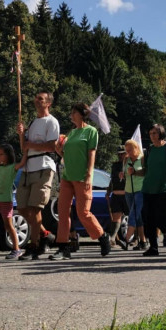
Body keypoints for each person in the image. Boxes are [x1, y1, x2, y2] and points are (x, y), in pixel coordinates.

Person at [49, 103, 111, 259]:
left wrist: (89, 174)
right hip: (67, 177)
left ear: (82, 114)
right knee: (62, 212)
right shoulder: (72, 133)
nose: (71, 115)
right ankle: (63, 247)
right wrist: (59, 151)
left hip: (82, 177)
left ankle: (102, 236)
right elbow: (67, 156)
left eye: (74, 112)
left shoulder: (91, 131)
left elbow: (91, 154)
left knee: (83, 212)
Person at [16, 91, 59, 260]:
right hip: (28, 168)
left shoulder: (52, 121)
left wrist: (30, 144)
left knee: (34, 209)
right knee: (22, 208)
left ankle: (33, 247)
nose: (36, 101)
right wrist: (21, 134)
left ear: (48, 103)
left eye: (40, 99)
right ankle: (45, 234)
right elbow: (24, 147)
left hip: (43, 166)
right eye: (36, 98)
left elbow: (52, 146)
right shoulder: (33, 122)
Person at [140, 124, 166, 256]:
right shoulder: (149, 150)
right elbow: (146, 170)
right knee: (148, 217)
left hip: (164, 187)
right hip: (148, 188)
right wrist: (133, 172)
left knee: (161, 214)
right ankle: (153, 247)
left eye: (155, 133)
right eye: (150, 133)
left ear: (161, 133)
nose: (152, 136)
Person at [122, 139, 146, 249]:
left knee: (133, 214)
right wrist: (122, 174)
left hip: (140, 190)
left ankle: (126, 240)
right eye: (127, 150)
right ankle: (143, 241)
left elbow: (146, 172)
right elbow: (125, 173)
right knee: (138, 216)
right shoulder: (126, 159)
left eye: (130, 150)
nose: (128, 153)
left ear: (136, 148)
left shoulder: (142, 159)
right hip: (128, 190)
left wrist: (135, 172)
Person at [108, 147, 129, 250]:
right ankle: (112, 238)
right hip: (116, 195)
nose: (120, 156)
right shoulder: (115, 165)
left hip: (128, 194)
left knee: (133, 218)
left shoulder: (130, 164)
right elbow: (112, 180)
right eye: (119, 154)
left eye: (122, 154)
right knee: (116, 218)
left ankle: (137, 239)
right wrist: (108, 192)